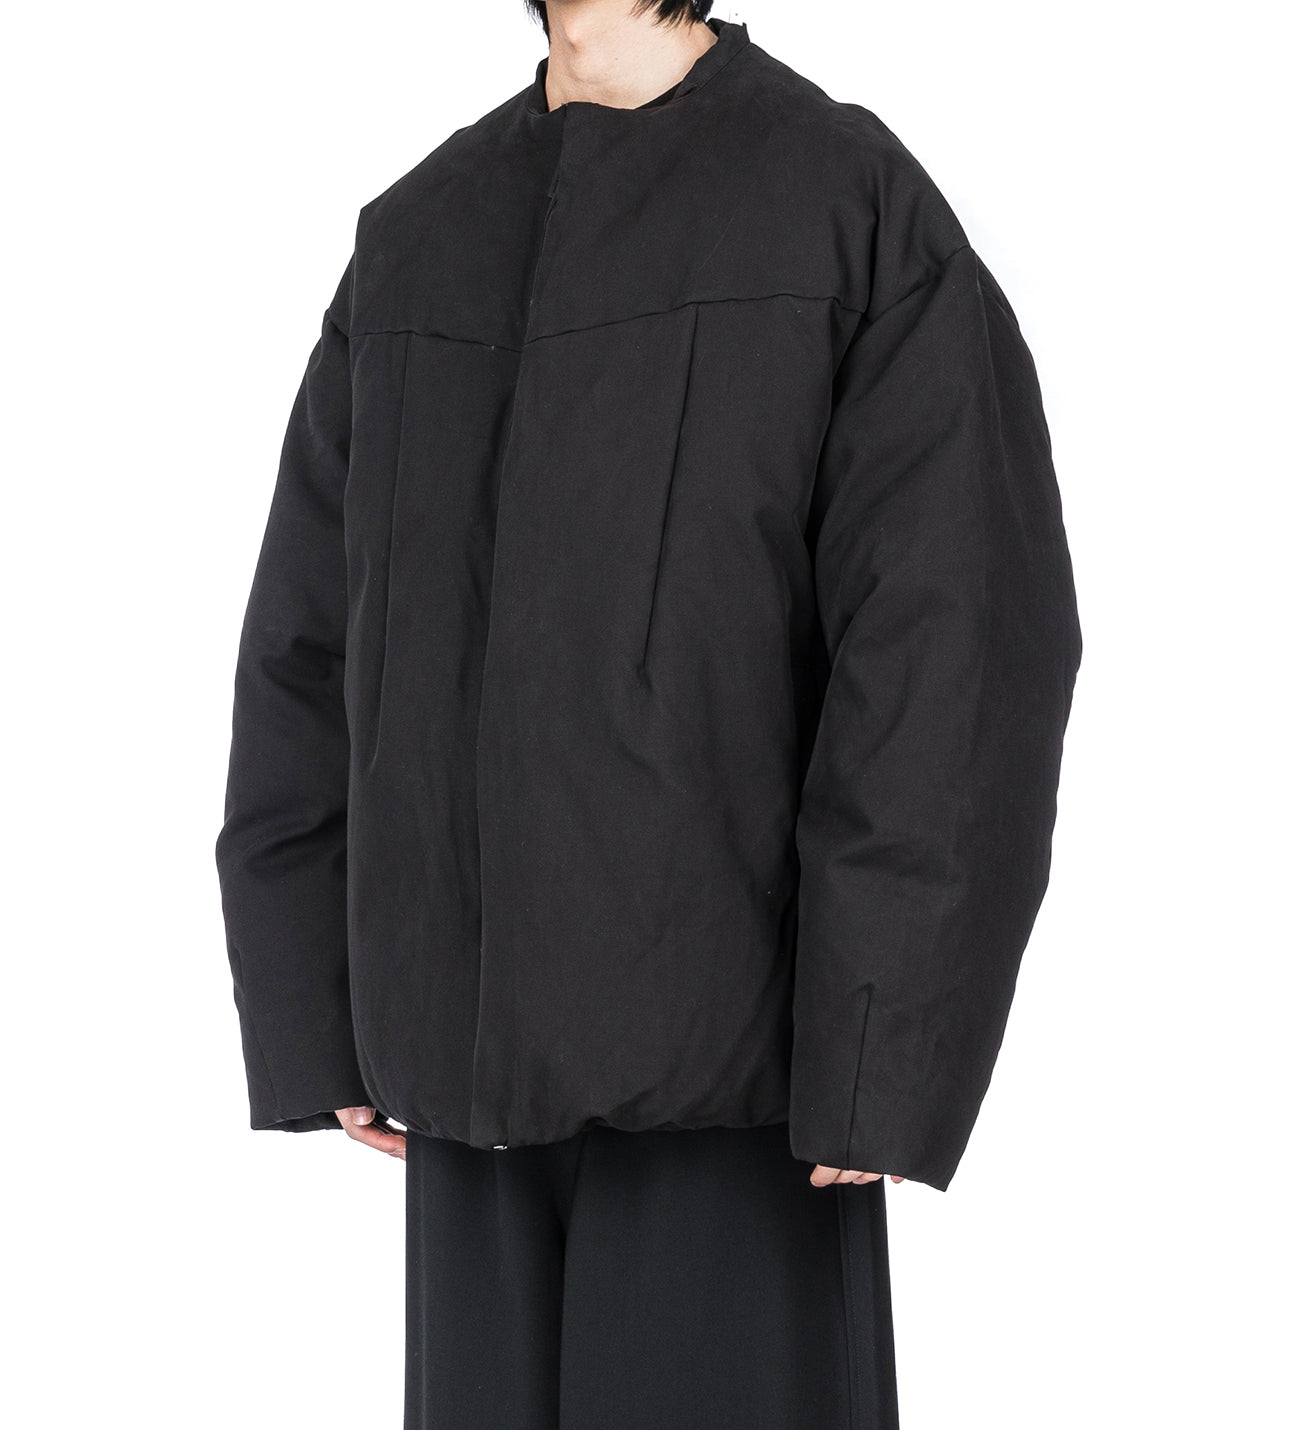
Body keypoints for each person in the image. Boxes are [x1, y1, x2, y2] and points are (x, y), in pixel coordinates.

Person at [214, 2, 1083, 1425]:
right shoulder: (419, 234)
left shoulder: (843, 206)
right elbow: (310, 641)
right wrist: (314, 1008)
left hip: (736, 1094)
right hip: (469, 1096)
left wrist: (882, 1041)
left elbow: (955, 641)